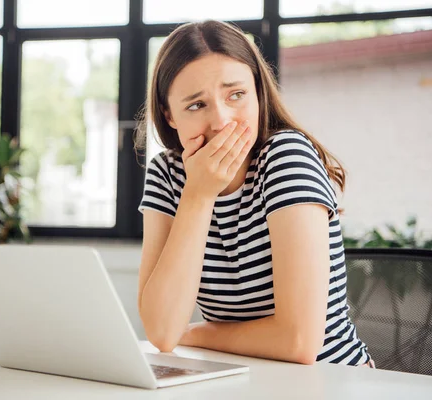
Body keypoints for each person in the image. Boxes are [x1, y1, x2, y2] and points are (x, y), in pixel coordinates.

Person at [135, 20, 374, 367]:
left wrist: (195, 334)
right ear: (169, 114)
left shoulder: (285, 157)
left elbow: (299, 343)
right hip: (243, 379)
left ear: (258, 92)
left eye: (236, 95)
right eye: (196, 105)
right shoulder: (166, 174)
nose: (221, 121)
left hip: (330, 378)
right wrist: (198, 196)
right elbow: (161, 330)